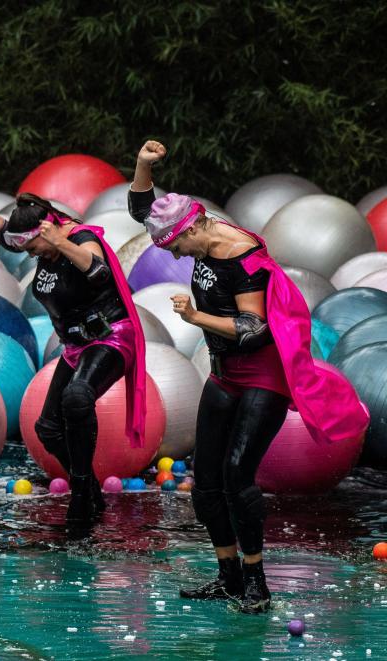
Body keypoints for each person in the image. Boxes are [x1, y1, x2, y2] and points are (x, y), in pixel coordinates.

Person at [128, 140, 369, 613]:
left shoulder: (244, 262)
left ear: (194, 227)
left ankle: (257, 581)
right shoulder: (193, 225)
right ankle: (228, 576)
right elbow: (145, 210)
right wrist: (142, 166)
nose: (174, 253)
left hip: (262, 379)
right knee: (205, 481)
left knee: (239, 476)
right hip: (223, 376)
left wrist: (198, 320)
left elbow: (254, 330)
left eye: (176, 244)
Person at [0, 190, 147, 524]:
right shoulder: (41, 246)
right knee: (48, 428)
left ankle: (81, 496)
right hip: (76, 347)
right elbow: (11, 239)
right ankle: (91, 489)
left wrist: (60, 243)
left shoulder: (82, 237)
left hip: (111, 337)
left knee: (77, 398)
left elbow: (98, 272)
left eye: (34, 247)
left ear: (48, 230)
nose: (31, 254)